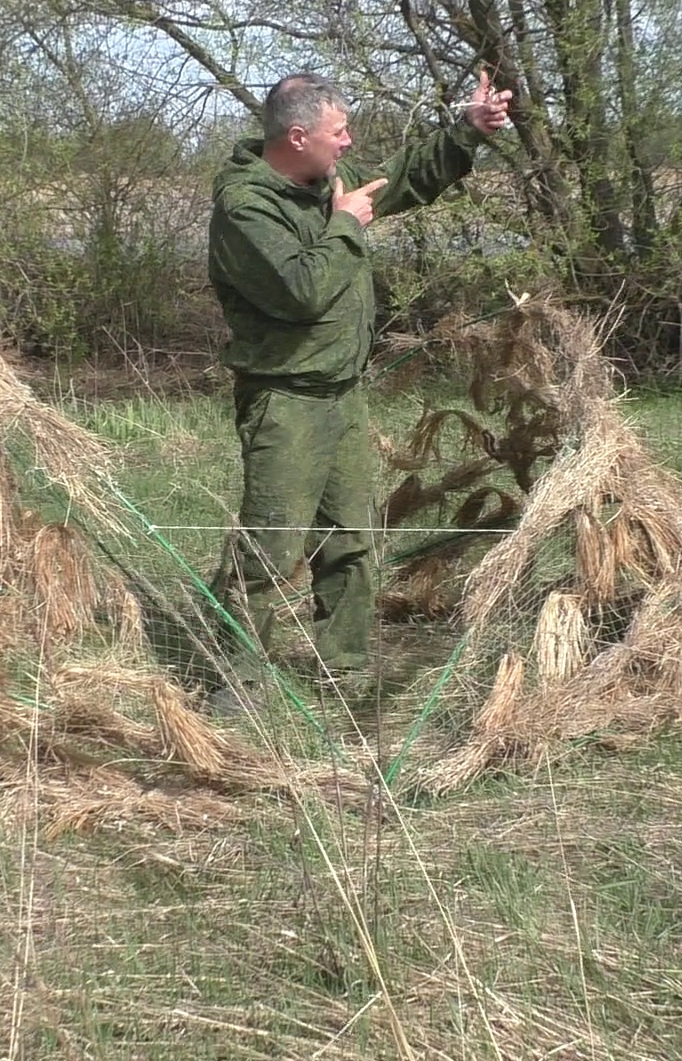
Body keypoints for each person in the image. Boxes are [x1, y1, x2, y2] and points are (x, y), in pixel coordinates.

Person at [205, 70, 512, 709]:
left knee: (351, 537)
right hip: (286, 399)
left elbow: (399, 177)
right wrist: (345, 224)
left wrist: (467, 132)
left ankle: (343, 666)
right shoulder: (246, 208)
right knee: (272, 539)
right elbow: (300, 292)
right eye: (338, 132)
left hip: (342, 392)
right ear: (298, 136)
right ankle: (235, 678)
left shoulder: (322, 181)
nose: (348, 144)